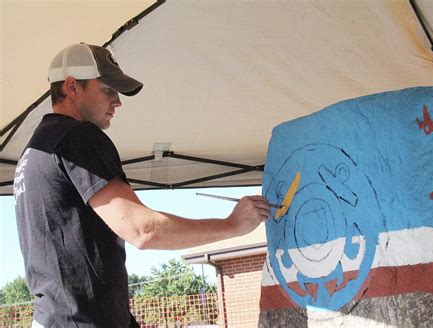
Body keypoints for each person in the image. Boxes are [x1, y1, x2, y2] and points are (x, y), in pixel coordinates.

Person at [13, 43, 270, 327]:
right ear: (72, 87)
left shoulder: (35, 150)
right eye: (108, 90)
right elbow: (142, 230)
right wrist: (231, 225)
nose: (117, 101)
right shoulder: (77, 136)